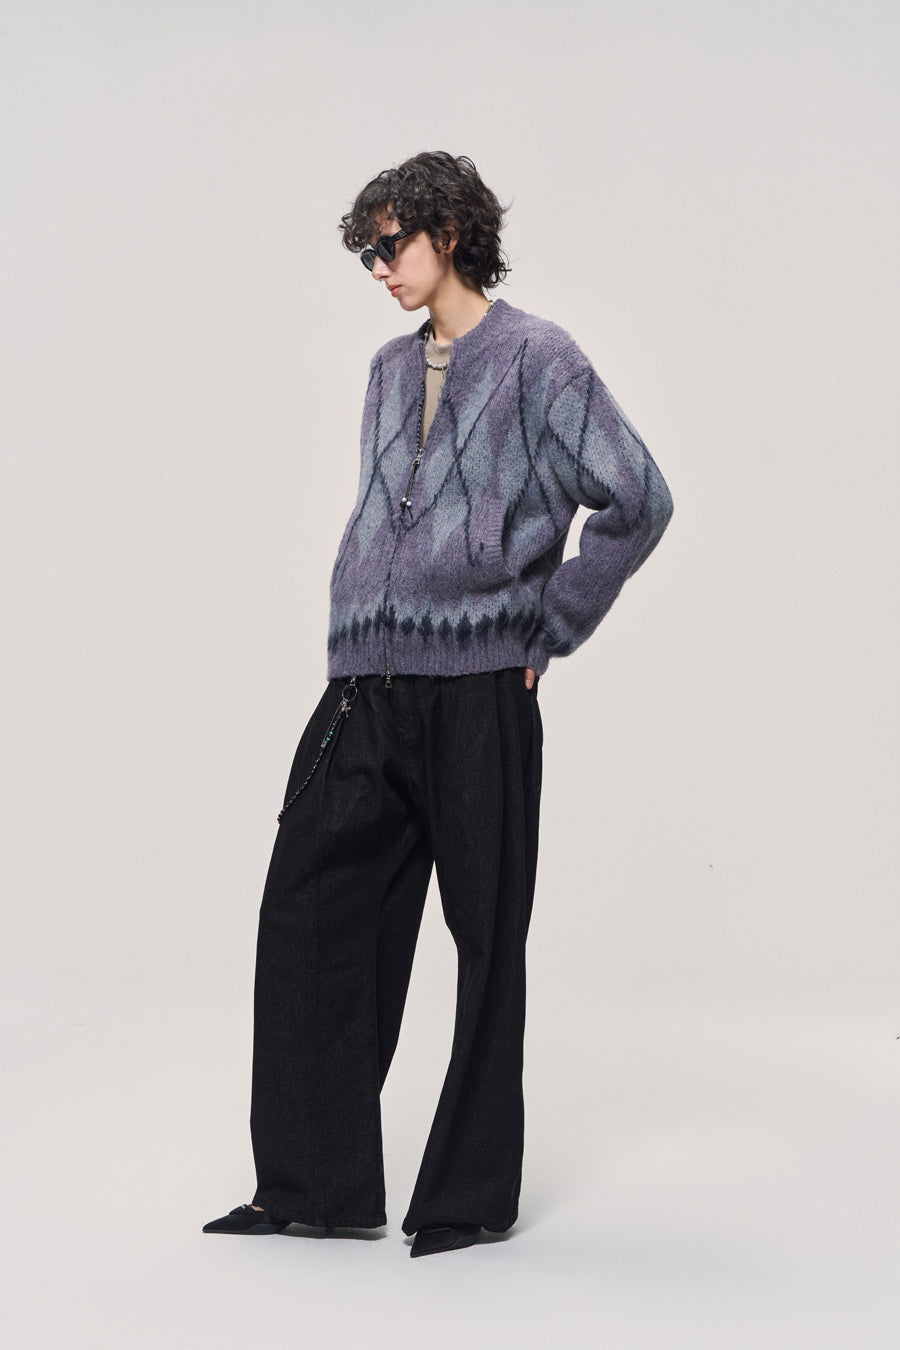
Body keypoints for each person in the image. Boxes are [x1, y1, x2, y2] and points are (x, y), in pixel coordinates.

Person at [203, 150, 674, 1258]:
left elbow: (639, 497)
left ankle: (465, 1197)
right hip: (364, 687)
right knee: (309, 916)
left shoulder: (541, 359)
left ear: (448, 233)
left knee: (485, 939)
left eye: (391, 244)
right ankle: (312, 1185)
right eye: (366, 252)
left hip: (479, 694)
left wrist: (550, 626)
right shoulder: (383, 370)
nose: (378, 268)